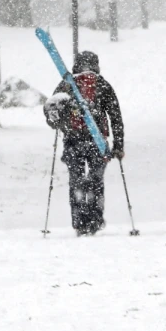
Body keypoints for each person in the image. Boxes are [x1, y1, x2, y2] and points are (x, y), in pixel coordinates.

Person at [43, 50, 124, 235]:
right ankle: (95, 219)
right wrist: (118, 146)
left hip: (73, 141)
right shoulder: (102, 85)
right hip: (98, 142)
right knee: (96, 181)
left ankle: (79, 220)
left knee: (76, 180)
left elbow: (53, 111)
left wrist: (58, 122)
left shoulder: (66, 84)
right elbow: (115, 117)